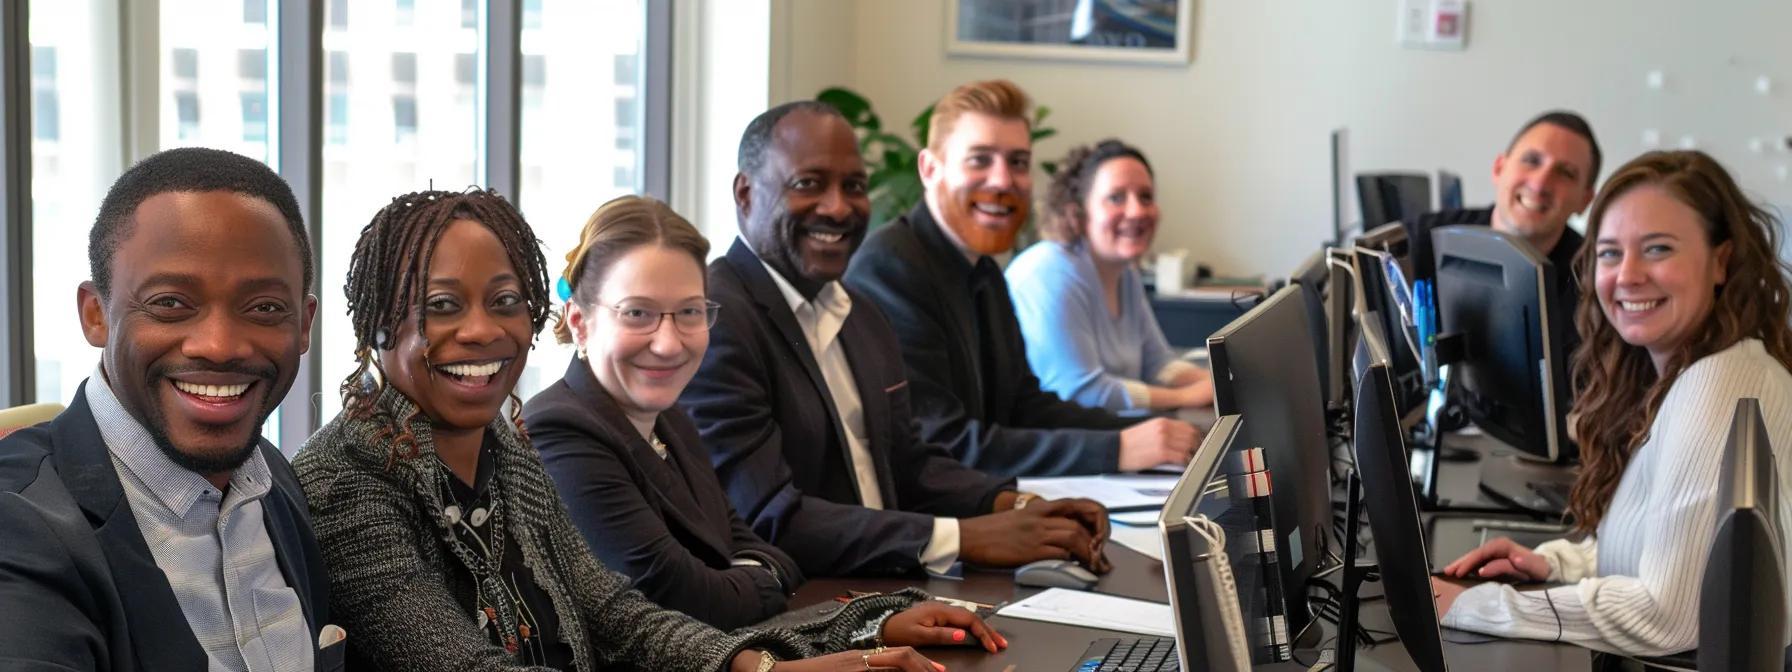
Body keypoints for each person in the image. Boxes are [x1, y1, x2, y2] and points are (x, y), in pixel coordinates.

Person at [297, 188, 954, 672]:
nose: (481, 330)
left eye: (505, 302)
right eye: (442, 306)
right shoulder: (345, 479)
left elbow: (620, 619)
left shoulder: (506, 451)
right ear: (375, 323)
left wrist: (825, 645)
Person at [524, 195, 1013, 654]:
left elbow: (767, 553)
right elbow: (680, 600)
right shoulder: (562, 429)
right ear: (581, 321)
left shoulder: (670, 420)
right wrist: (762, 578)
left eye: (690, 312)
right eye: (638, 313)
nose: (669, 343)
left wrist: (869, 625)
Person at [676, 101, 1114, 581]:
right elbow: (768, 517)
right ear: (745, 194)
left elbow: (907, 463)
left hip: (893, 581)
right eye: (809, 184)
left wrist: (1016, 504)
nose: (838, 207)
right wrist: (967, 538)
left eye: (855, 187)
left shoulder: (859, 313)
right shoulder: (715, 320)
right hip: (809, 608)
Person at [1433, 150, 1792, 657]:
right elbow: (1666, 548)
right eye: (1608, 252)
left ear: (1721, 261)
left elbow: (1669, 614)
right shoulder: (1690, 368)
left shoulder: (1719, 386)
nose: (1627, 275)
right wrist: (1557, 565)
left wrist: (1473, 606)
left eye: (1658, 249)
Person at [0, 147, 342, 670]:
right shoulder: (18, 528)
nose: (220, 345)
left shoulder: (271, 476)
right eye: (170, 303)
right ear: (96, 315)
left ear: (303, 325)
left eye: (265, 308)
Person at [842, 79, 1198, 478]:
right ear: (930, 169)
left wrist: (1150, 435)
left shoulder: (983, 269)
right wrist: (1116, 448)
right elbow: (944, 445)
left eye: (1018, 162)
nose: (1002, 181)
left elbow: (1025, 406)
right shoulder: (890, 269)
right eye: (980, 159)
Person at [1007, 139, 1215, 413]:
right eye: (1116, 197)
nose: (1137, 211)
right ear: (1078, 212)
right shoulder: (1049, 272)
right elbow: (1081, 392)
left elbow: (1158, 364)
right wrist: (1187, 397)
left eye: (1146, 197)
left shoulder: (1124, 271)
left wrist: (1221, 383)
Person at [1404, 111, 1601, 353]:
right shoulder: (1420, 240)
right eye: (1531, 160)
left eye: (1566, 173)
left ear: (1585, 200)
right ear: (1499, 168)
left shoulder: (1595, 284)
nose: (1540, 184)